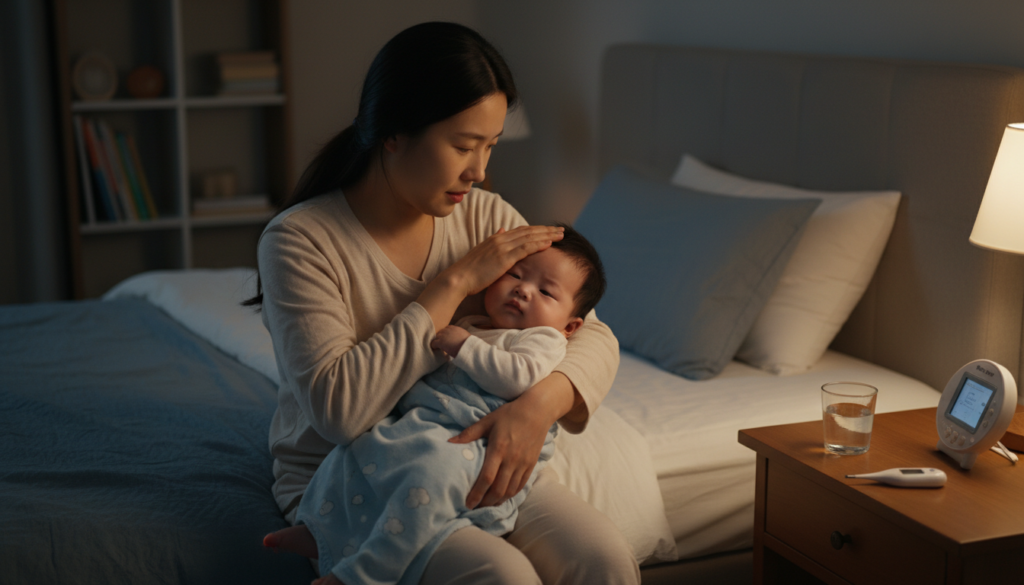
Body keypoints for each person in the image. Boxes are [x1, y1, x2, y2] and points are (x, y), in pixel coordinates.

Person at [246, 21, 638, 584]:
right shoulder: (300, 241)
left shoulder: (487, 214)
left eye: (491, 147)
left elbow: (591, 334)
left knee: (604, 560)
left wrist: (535, 408)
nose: (479, 171)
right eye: (463, 146)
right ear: (394, 132)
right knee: (503, 578)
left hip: (483, 454)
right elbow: (338, 413)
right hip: (352, 480)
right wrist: (452, 285)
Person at [265, 226, 607, 585]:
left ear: (570, 326)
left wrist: (465, 347)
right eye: (515, 274)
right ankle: (320, 530)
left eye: (545, 291)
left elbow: (518, 377)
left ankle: (364, 573)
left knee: (429, 479)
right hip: (428, 426)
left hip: (478, 446)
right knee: (363, 448)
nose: (523, 288)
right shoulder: (476, 324)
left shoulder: (543, 339)